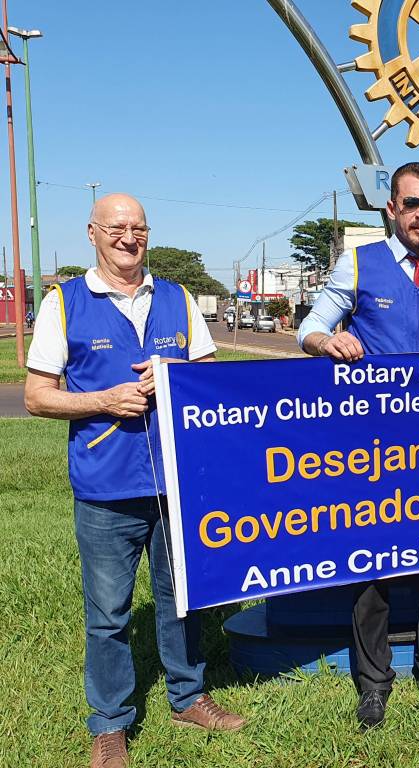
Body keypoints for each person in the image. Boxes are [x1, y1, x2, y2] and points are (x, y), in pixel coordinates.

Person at [23, 194, 245, 768]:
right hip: (106, 487)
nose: (129, 237)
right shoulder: (64, 303)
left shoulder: (177, 298)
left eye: (139, 227)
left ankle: (188, 697)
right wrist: (103, 400)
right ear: (92, 233)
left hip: (177, 482)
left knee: (182, 601)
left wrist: (175, 373)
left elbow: (210, 379)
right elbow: (36, 397)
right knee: (108, 614)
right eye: (117, 227)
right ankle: (110, 724)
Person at [297, 161, 419, 728]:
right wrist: (327, 342)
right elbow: (308, 327)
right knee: (373, 563)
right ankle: (374, 681)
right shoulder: (359, 262)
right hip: (371, 446)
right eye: (411, 204)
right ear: (392, 208)